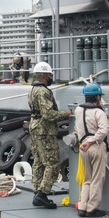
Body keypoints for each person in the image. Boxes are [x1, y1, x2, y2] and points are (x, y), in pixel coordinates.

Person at [27, 61, 72, 209]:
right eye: (50, 75)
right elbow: (48, 114)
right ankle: (43, 193)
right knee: (52, 163)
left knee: (39, 162)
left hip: (35, 128)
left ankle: (37, 190)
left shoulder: (32, 90)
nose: (52, 77)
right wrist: (65, 114)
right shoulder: (44, 92)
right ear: (45, 75)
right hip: (45, 131)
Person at [74, 82, 109, 217]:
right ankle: (92, 208)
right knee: (97, 178)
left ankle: (82, 206)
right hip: (96, 146)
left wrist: (86, 142)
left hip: (83, 147)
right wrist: (92, 141)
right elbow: (103, 131)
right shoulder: (99, 112)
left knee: (87, 178)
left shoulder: (78, 110)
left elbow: (79, 128)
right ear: (97, 97)